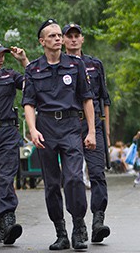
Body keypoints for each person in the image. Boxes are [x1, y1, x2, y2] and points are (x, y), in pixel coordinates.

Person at [22, 19, 96, 250]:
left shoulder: (75, 65)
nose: (57, 38)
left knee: (73, 177)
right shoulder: (33, 69)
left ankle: (78, 225)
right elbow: (28, 103)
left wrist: (92, 131)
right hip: (45, 128)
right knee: (52, 184)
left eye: (58, 35)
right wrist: (33, 130)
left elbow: (87, 99)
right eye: (52, 36)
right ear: (42, 41)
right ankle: (61, 232)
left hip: (72, 126)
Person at [62, 23, 111, 243]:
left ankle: (98, 220)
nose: (73, 40)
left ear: (82, 39)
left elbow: (104, 99)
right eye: (69, 36)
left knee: (97, 173)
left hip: (95, 126)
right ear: (63, 40)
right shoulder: (58, 65)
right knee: (72, 177)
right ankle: (77, 222)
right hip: (70, 126)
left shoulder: (95, 64)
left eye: (77, 36)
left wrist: (106, 133)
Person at [0, 40, 29, 245]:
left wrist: (24, 61)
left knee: (5, 176)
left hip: (8, 131)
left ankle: (9, 219)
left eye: (3, 55)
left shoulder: (10, 75)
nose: (1, 59)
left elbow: (35, 83)